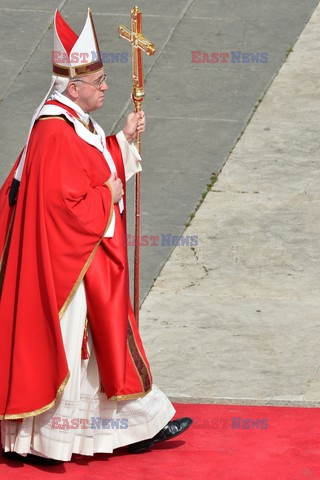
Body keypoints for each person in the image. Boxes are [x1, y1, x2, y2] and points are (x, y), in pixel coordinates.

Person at [0, 9, 192, 464]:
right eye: (99, 81)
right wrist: (107, 192)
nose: (106, 87)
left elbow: (90, 168)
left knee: (101, 343)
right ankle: (48, 442)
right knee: (74, 348)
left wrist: (122, 141)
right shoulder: (52, 130)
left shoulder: (74, 122)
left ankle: (130, 426)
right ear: (73, 86)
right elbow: (61, 207)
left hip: (81, 263)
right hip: (64, 272)